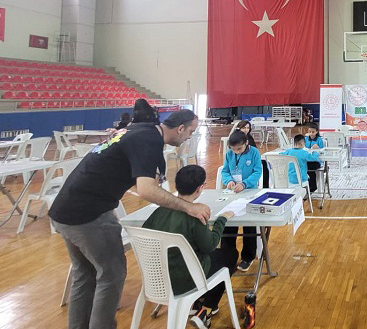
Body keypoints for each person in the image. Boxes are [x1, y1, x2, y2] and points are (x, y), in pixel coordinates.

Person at [48, 109, 207, 329]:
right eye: (190, 132)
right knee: (111, 274)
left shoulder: (140, 130)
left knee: (84, 273)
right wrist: (189, 207)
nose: (189, 137)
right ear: (180, 128)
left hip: (64, 209)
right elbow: (146, 189)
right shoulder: (149, 141)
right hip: (88, 215)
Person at [143, 165, 237, 329]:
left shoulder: (158, 212)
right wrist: (222, 220)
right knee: (230, 255)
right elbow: (210, 246)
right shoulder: (195, 215)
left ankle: (198, 304)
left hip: (158, 279)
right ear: (200, 188)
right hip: (186, 280)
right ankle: (207, 308)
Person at [220, 130, 263, 272]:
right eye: (233, 149)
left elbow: (257, 172)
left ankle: (248, 257)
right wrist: (229, 180)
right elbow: (225, 171)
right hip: (233, 193)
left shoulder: (254, 152)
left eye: (239, 149)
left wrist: (245, 183)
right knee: (228, 222)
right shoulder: (229, 154)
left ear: (246, 143)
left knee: (249, 224)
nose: (236, 152)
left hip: (249, 191)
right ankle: (227, 256)